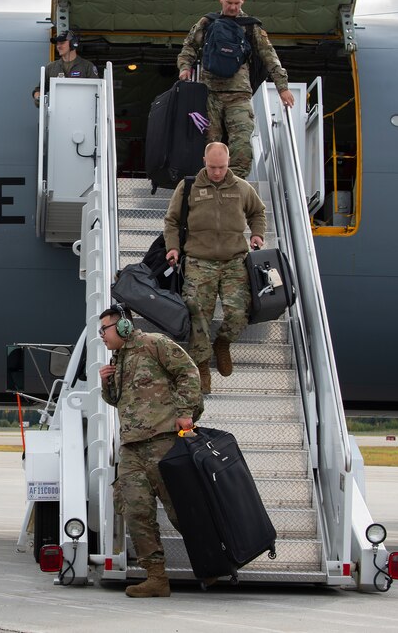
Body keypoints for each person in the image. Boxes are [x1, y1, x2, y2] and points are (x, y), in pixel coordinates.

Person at [98, 304, 202, 597]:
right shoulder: (117, 360)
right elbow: (117, 401)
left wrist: (184, 412)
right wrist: (106, 383)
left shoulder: (155, 344)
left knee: (181, 510)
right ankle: (156, 577)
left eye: (103, 330)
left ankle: (216, 561)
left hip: (164, 441)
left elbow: (189, 372)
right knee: (135, 511)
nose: (101, 337)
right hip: (132, 447)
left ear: (122, 327)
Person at [164, 143, 266, 394]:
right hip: (200, 260)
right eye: (212, 167)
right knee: (197, 311)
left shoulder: (242, 188)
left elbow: (258, 213)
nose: (217, 172)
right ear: (204, 161)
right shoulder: (189, 187)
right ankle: (201, 365)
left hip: (233, 260)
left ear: (228, 162)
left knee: (239, 310)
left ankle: (222, 342)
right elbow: (172, 221)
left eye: (221, 167)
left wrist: (257, 234)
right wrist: (173, 248)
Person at [176, 0, 295, 178]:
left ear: (243, 0)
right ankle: (207, 183)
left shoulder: (250, 27)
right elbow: (188, 47)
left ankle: (236, 185)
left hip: (239, 94)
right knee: (209, 142)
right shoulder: (207, 23)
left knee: (241, 142)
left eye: (237, 3)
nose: (233, 7)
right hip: (209, 93)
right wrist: (185, 68)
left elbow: (269, 55)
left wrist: (282, 87)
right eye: (229, 2)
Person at [32, 30, 99, 105]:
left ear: (73, 44)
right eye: (57, 44)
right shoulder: (50, 67)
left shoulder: (87, 66)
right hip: (57, 114)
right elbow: (40, 89)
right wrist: (38, 97)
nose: (58, 46)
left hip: (82, 113)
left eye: (62, 43)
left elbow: (97, 92)